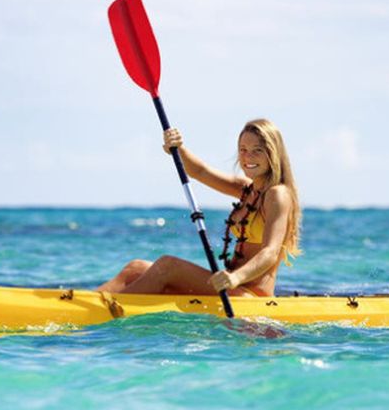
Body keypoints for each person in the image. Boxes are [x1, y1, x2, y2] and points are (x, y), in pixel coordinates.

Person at [98, 119, 301, 297]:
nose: (248, 158)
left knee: (167, 266)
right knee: (136, 268)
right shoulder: (246, 189)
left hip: (249, 295)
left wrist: (235, 278)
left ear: (272, 154)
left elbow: (271, 251)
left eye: (257, 150)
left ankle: (110, 310)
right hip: (231, 287)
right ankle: (82, 301)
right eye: (243, 150)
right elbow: (200, 172)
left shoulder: (277, 194)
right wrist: (177, 148)